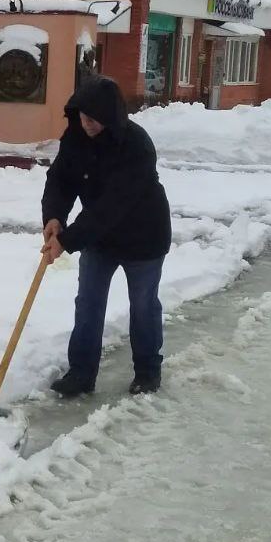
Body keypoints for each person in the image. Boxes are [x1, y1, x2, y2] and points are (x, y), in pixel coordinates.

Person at [40, 75, 172, 397]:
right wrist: (55, 217)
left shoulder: (136, 146)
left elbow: (112, 207)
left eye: (95, 121)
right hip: (99, 240)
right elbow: (60, 180)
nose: (87, 126)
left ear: (111, 118)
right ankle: (81, 374)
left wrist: (68, 241)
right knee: (88, 302)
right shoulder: (75, 137)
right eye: (83, 118)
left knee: (142, 305)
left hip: (143, 237)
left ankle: (147, 372)